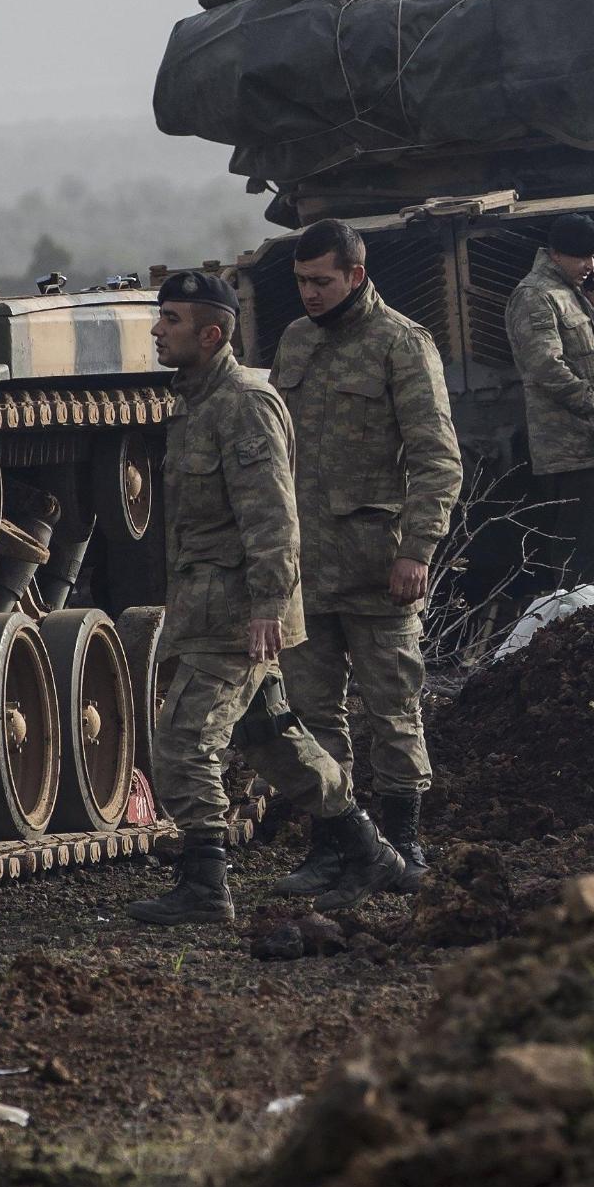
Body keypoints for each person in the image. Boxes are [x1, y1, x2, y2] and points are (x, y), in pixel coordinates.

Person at [128, 269, 407, 926]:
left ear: (211, 332)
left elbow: (273, 519)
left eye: (170, 319)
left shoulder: (242, 401)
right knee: (272, 741)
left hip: (235, 614)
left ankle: (206, 884)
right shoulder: (197, 400)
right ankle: (369, 851)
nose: (156, 330)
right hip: (211, 605)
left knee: (184, 740)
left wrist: (267, 607)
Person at [268, 220, 463, 894]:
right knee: (315, 716)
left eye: (321, 280)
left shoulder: (401, 344)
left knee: (393, 709)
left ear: (356, 273)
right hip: (304, 571)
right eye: (301, 281)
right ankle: (335, 844)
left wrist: (417, 549)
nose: (309, 294)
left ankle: (404, 841)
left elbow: (437, 458)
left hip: (379, 568)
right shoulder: (295, 341)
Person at [503, 213, 594, 584]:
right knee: (578, 553)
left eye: (593, 257)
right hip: (571, 451)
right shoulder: (535, 296)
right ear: (556, 254)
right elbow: (545, 368)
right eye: (581, 257)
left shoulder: (577, 292)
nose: (590, 266)